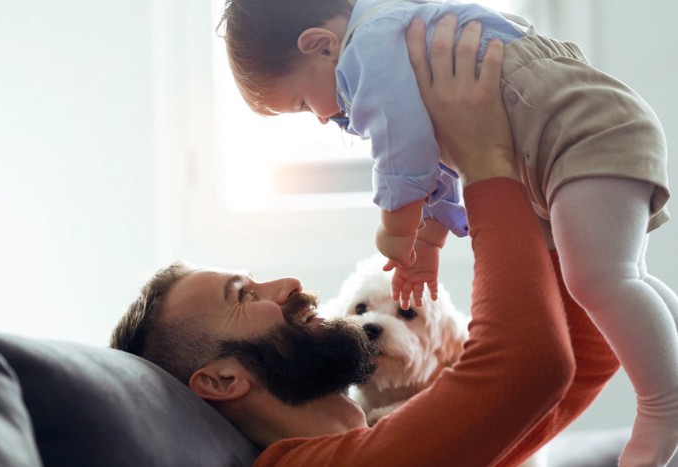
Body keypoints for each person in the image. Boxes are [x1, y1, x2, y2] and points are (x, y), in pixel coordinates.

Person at [111, 19, 620, 466]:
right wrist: (484, 160)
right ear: (223, 380)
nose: (287, 284)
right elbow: (533, 365)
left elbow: (590, 352)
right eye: (243, 295)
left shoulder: (378, 440)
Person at [218, 1, 678, 464]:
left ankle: (664, 399)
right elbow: (430, 157)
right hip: (573, 136)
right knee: (616, 277)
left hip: (574, 135)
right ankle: (666, 390)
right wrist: (425, 226)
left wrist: (411, 228)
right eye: (239, 295)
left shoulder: (371, 52)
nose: (320, 118)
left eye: (302, 104)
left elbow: (408, 150)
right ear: (220, 378)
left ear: (320, 45)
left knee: (603, 280)